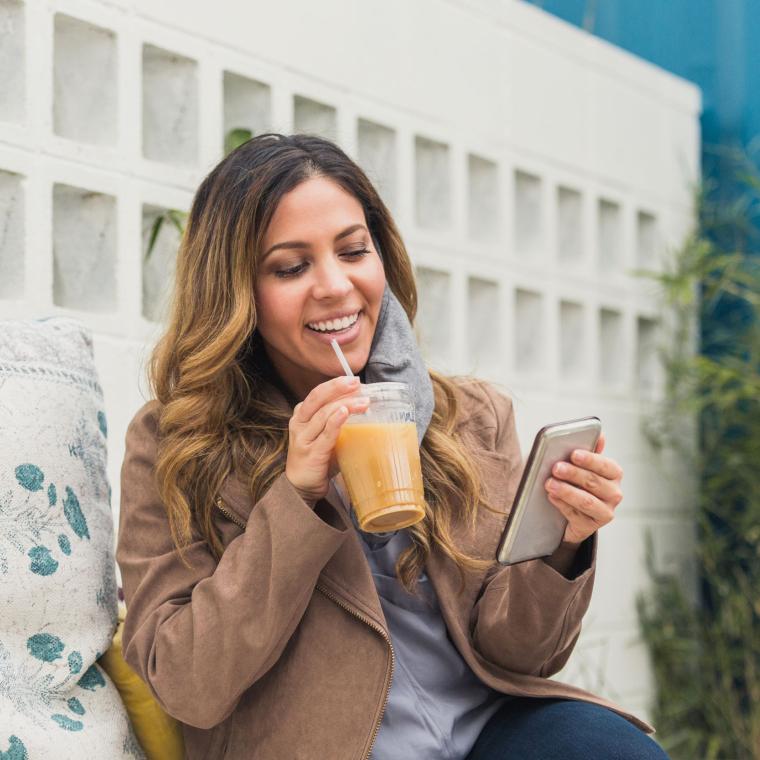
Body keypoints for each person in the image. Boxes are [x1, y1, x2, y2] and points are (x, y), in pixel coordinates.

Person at [116, 133, 669, 760]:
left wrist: (562, 545)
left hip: (490, 728)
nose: (335, 286)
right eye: (291, 267)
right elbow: (187, 685)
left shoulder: (469, 416)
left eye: (353, 251)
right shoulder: (175, 442)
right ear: (238, 292)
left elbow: (520, 654)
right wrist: (296, 496)